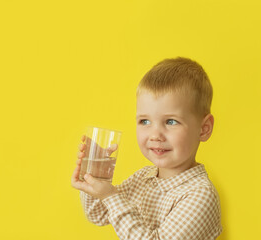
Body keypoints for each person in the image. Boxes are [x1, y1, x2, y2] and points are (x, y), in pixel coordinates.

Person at [71, 57, 222, 239]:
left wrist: (111, 196)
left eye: (171, 121)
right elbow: (99, 214)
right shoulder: (143, 178)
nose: (155, 135)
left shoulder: (200, 194)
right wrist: (95, 177)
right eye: (145, 121)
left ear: (203, 129)